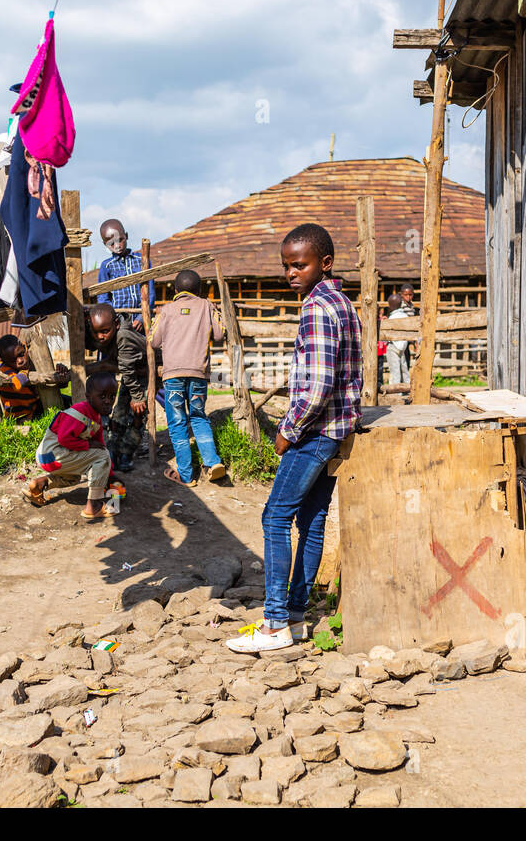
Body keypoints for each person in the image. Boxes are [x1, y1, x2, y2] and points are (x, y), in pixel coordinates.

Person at [227, 223, 362, 654]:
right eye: (286, 265)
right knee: (312, 520)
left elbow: (319, 384)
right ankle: (299, 616)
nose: (291, 273)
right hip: (336, 430)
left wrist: (288, 430)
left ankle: (275, 621)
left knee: (275, 517)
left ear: (325, 263)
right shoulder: (341, 302)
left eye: (299, 265)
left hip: (314, 432)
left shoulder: (316, 308)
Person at [151, 269, 227, 485]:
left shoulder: (166, 310)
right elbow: (221, 334)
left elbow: (154, 341)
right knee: (199, 416)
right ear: (199, 290)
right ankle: (213, 462)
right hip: (198, 375)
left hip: (173, 375)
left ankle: (186, 475)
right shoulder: (206, 305)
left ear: (175, 291)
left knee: (177, 423)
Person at [22, 371, 121, 519]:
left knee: (74, 477)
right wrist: (88, 445)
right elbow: (63, 439)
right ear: (88, 396)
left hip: (53, 458)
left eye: (112, 396)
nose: (108, 401)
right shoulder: (80, 412)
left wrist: (110, 476)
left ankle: (40, 484)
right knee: (102, 455)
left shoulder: (96, 417)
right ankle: (93, 506)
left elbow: (100, 444)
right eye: (102, 396)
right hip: (51, 454)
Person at [83, 303, 150, 471]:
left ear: (116, 325)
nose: (100, 337)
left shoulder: (123, 337)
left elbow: (128, 369)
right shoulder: (106, 332)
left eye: (104, 331)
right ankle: (113, 453)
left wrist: (137, 397)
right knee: (119, 415)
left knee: (138, 415)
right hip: (132, 374)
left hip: (145, 375)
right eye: (96, 332)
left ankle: (127, 454)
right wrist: (83, 322)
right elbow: (90, 342)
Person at [94, 219, 156, 327]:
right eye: (111, 243)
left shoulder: (142, 260)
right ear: (105, 244)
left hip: (142, 320)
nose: (117, 246)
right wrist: (114, 318)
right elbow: (103, 298)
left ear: (126, 236)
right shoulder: (106, 266)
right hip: (118, 323)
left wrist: (141, 318)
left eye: (120, 240)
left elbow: (150, 293)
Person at [0, 333, 43, 422]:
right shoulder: (3, 370)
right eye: (13, 360)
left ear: (24, 347)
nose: (20, 361)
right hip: (19, 416)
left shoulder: (29, 354)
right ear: (4, 361)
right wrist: (25, 370)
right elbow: (16, 384)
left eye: (21, 354)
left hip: (32, 407)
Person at [386, 292, 415, 385]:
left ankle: (396, 392)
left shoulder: (392, 317)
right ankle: (407, 388)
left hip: (393, 345)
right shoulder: (405, 316)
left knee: (395, 371)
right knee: (404, 369)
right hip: (403, 346)